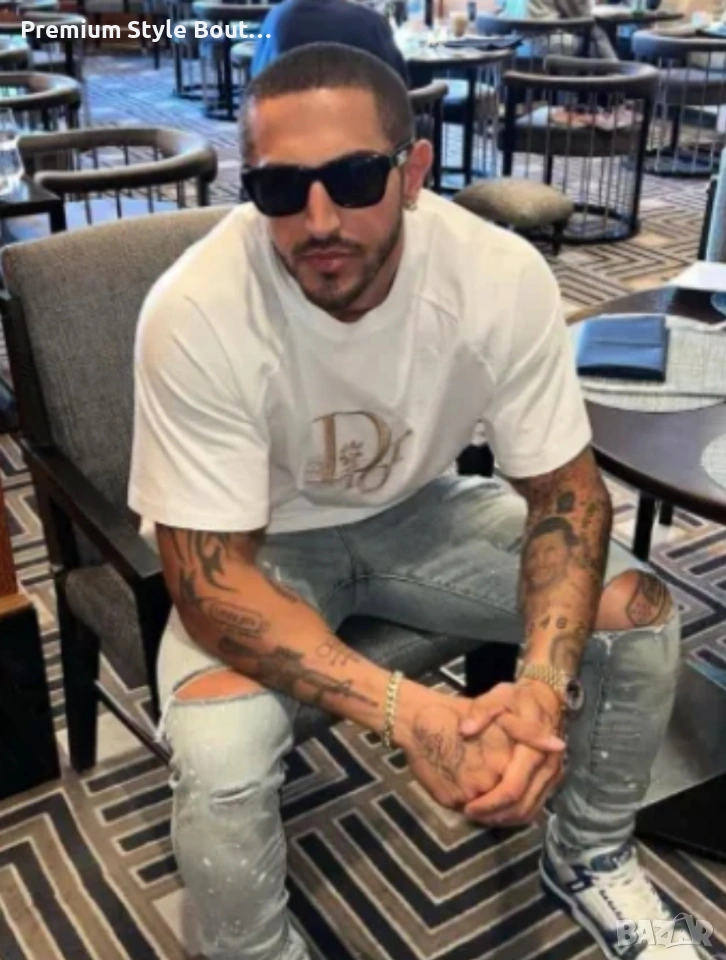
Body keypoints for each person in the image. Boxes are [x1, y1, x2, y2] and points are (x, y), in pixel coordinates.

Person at [128, 42, 698, 960]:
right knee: (220, 756)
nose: (320, 219)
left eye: (355, 177)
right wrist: (412, 713)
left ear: (414, 170)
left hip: (422, 510)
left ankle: (590, 855)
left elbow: (566, 494)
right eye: (281, 189)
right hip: (264, 546)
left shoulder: (497, 275)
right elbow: (209, 583)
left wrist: (542, 691)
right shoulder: (195, 307)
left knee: (640, 611)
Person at [250, 0, 410, 85]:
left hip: (281, 130)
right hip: (357, 131)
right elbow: (399, 88)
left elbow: (257, 79)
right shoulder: (369, 23)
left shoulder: (276, 18)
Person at [497, 0, 619, 60]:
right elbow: (581, 14)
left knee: (594, 37)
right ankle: (617, 88)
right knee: (597, 39)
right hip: (543, 43)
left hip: (514, 42)